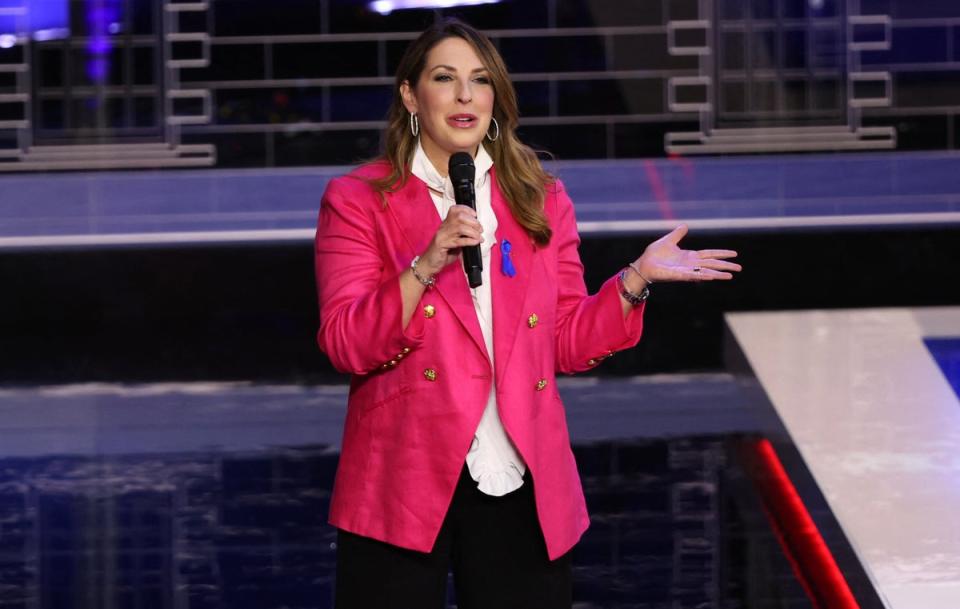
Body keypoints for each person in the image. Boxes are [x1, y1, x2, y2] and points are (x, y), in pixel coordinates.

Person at [313, 17, 741, 609]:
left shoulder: (540, 198)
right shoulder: (358, 200)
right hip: (402, 478)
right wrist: (427, 260)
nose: (465, 95)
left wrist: (635, 280)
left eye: (480, 80)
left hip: (521, 477)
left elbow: (565, 342)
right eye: (445, 78)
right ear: (412, 95)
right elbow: (346, 343)